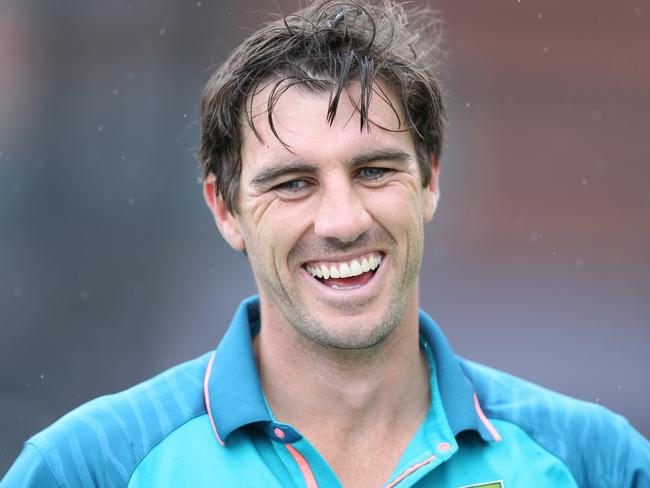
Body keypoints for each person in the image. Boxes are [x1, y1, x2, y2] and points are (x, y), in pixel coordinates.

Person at [3, 0, 649, 486]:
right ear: (226, 210)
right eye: (292, 183)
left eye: (373, 171)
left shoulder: (595, 462)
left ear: (430, 180)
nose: (341, 220)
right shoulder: (90, 468)